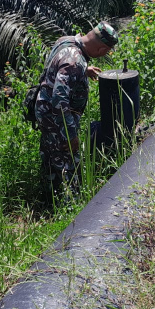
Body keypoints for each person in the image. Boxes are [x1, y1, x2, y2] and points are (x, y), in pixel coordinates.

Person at [35, 22, 118, 199]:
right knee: (67, 158)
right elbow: (59, 100)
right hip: (56, 117)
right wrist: (70, 135)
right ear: (102, 50)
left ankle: (48, 194)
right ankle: (67, 202)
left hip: (45, 110)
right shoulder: (74, 61)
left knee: (50, 153)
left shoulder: (67, 41)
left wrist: (83, 70)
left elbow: (60, 64)